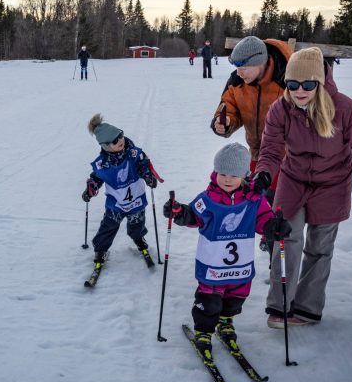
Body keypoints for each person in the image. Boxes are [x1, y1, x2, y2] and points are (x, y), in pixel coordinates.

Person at [253, 47, 352, 328]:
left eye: (307, 84)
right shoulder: (281, 109)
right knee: (286, 240)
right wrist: (263, 174)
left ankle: (307, 309)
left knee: (319, 248)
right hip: (293, 180)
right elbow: (272, 149)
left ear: (319, 83)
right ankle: (280, 305)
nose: (299, 91)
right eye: (292, 84)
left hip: (332, 183)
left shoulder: (344, 108)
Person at [162, 143, 288, 357]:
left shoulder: (254, 201)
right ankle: (203, 330)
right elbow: (194, 215)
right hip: (213, 265)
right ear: (215, 172)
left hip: (241, 267)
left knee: (236, 298)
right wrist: (179, 212)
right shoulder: (207, 199)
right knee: (209, 300)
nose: (227, 179)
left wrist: (273, 227)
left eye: (233, 174)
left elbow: (264, 220)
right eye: (222, 173)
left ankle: (225, 321)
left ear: (245, 175)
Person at [211, 36, 291, 200]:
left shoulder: (287, 79)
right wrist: (224, 122)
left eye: (243, 66)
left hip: (286, 160)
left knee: (277, 211)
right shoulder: (237, 81)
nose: (238, 72)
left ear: (259, 62)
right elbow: (228, 106)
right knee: (253, 207)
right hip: (256, 156)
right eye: (235, 66)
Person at [81, 114, 160, 266]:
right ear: (105, 146)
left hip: (136, 199)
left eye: (121, 135)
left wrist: (149, 176)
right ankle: (101, 250)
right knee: (108, 227)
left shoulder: (134, 153)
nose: (121, 140)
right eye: (115, 140)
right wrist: (91, 187)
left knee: (137, 224)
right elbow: (96, 177)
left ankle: (138, 238)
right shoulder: (102, 164)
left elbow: (143, 165)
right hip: (116, 202)